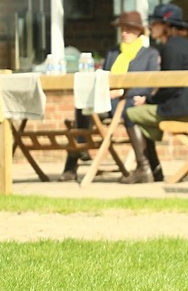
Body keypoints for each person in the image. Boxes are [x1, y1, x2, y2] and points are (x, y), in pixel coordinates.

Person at [61, 11, 161, 181]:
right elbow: (103, 78)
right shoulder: (113, 53)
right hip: (108, 101)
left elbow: (149, 84)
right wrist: (106, 92)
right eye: (122, 29)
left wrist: (121, 92)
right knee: (83, 105)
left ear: (139, 32)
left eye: (129, 29)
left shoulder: (150, 54)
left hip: (130, 101)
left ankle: (144, 167)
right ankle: (75, 159)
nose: (124, 33)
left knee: (131, 112)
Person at [123, 3, 188, 183]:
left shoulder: (171, 48)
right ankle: (155, 170)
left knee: (130, 114)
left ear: (167, 26)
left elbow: (169, 88)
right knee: (141, 114)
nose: (150, 27)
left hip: (181, 109)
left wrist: (149, 100)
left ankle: (144, 168)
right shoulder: (187, 45)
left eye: (154, 23)